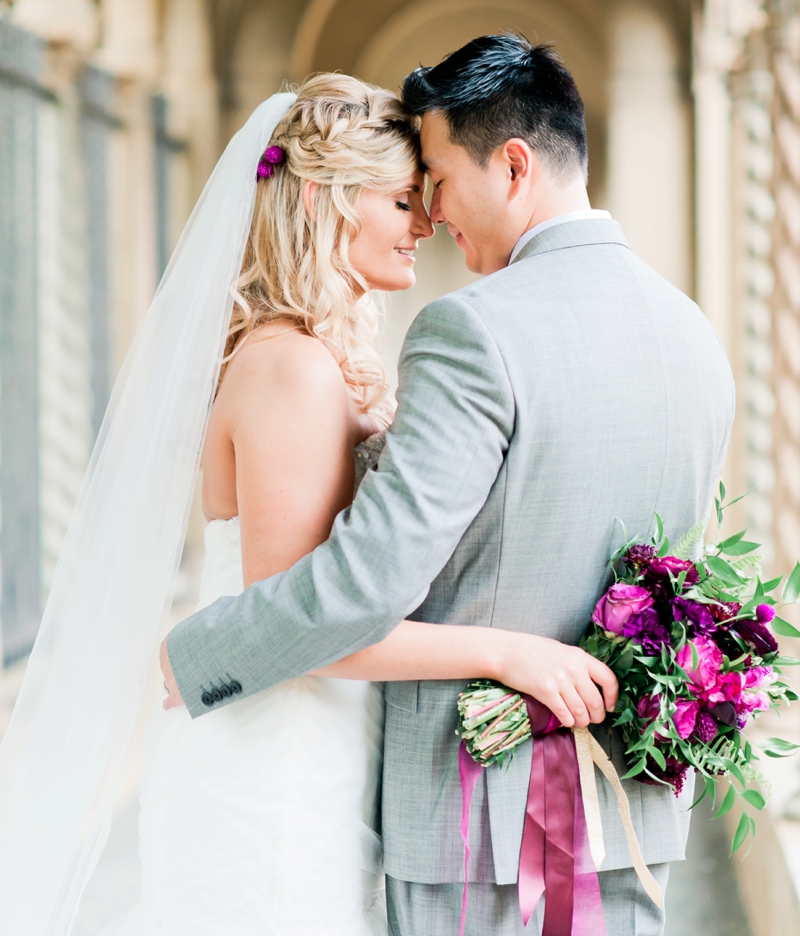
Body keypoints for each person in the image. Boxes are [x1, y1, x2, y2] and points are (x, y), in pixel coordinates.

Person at [165, 37, 736, 936]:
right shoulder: (697, 337)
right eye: (407, 191)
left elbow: (361, 584)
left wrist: (198, 654)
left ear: (512, 167)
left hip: (472, 818)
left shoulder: (472, 332)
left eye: (432, 177)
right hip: (633, 808)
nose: (430, 210)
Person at [100, 72, 616, 936]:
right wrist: (514, 654)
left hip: (312, 752)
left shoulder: (308, 361)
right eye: (404, 198)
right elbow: (306, 629)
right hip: (274, 766)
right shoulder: (292, 368)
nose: (424, 223)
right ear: (325, 200)